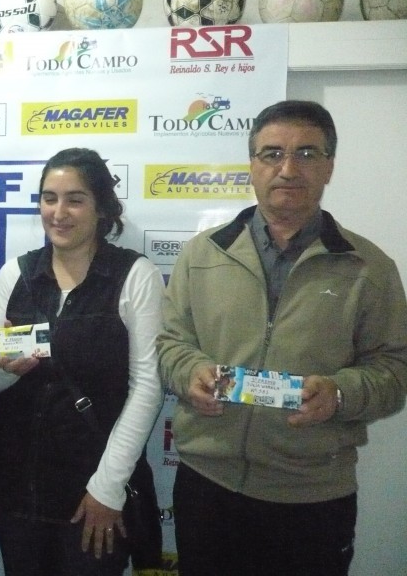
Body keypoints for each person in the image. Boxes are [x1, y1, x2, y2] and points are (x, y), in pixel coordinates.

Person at [157, 100, 407, 576]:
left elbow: (395, 370)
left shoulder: (369, 268)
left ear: (329, 166)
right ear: (252, 165)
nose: (288, 169)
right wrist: (189, 372)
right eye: (272, 154)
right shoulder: (201, 254)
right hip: (207, 487)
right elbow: (170, 343)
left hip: (312, 498)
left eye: (307, 154)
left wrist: (339, 393)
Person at [0, 148, 164, 575]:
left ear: (101, 208)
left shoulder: (135, 275)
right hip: (16, 488)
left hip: (94, 493)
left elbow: (148, 386)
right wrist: (5, 371)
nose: (59, 212)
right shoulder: (15, 274)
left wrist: (108, 488)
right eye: (49, 198)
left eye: (75, 200)